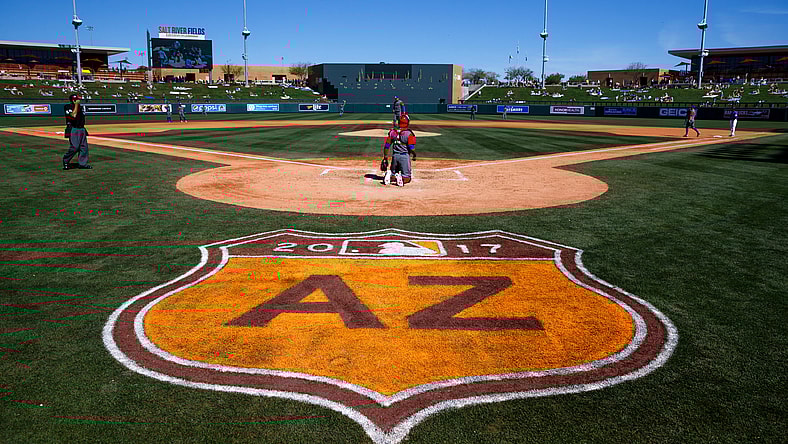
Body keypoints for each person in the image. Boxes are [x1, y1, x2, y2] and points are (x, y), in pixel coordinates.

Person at [381, 115, 416, 186]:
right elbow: (411, 147)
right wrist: (414, 155)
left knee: (394, 173)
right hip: (404, 157)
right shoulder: (409, 133)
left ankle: (390, 175)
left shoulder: (393, 132)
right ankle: (401, 179)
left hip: (395, 156)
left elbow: (387, 146)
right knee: (407, 178)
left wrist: (385, 157)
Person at [62, 93, 91, 169]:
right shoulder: (68, 107)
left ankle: (82, 164)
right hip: (73, 129)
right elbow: (73, 116)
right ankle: (66, 161)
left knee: (84, 148)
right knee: (75, 147)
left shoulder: (81, 107)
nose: (79, 100)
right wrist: (76, 105)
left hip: (82, 129)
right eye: (77, 99)